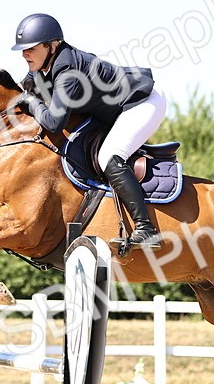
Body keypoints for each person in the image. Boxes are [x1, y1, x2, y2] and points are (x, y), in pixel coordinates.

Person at [12, 13, 163, 249]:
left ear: (52, 46)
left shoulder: (67, 71)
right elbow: (24, 90)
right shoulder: (43, 65)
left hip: (142, 103)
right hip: (112, 110)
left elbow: (53, 123)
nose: (24, 54)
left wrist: (32, 102)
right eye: (23, 49)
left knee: (109, 157)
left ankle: (146, 229)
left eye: (30, 48)